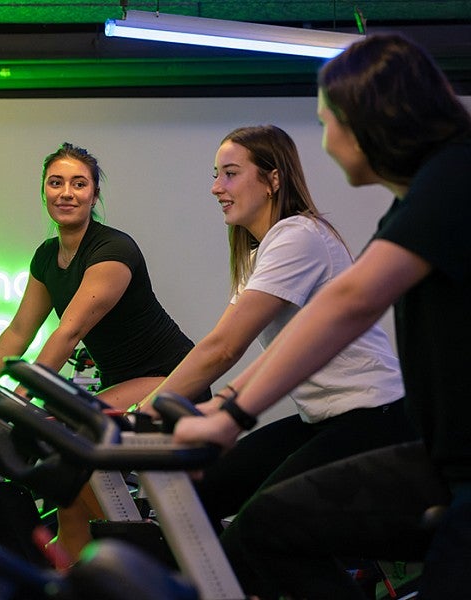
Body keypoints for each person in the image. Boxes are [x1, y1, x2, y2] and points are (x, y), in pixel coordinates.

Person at [174, 33, 471, 599]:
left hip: (413, 441)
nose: (328, 143)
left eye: (328, 122)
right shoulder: (415, 202)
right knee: (265, 528)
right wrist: (226, 406)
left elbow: (348, 304)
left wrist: (230, 415)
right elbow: (320, 328)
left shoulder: (455, 175)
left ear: (370, 118)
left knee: (264, 529)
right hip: (441, 456)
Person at [136, 125, 418, 551]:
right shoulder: (260, 251)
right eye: (215, 174)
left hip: (373, 416)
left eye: (230, 173)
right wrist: (213, 405)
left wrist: (142, 412)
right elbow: (229, 345)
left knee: (265, 525)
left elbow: (223, 348)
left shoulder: (298, 236)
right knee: (199, 492)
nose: (216, 187)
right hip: (322, 419)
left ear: (273, 180)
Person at [0, 142, 207, 564]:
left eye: (79, 184)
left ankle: (131, 552)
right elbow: (19, 331)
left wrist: (23, 397)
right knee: (67, 449)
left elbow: (69, 331)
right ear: (43, 191)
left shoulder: (112, 251)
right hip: (126, 381)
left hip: (173, 376)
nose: (66, 193)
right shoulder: (47, 256)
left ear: (94, 195)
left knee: (71, 434)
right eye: (56, 183)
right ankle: (75, 561)